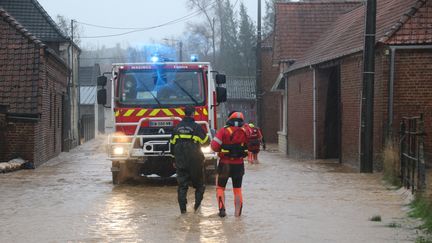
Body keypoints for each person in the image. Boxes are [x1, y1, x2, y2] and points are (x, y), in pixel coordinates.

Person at [170, 106, 210, 214]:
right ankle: (196, 208)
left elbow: (171, 145)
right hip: (195, 161)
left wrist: (174, 159)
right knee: (199, 185)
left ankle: (183, 211)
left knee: (182, 186)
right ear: (193, 114)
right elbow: (207, 142)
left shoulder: (176, 127)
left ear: (184, 114)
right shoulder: (197, 127)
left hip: (180, 161)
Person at [211, 111, 249, 217]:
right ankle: (237, 216)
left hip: (225, 164)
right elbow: (250, 146)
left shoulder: (223, 131)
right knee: (237, 190)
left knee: (220, 188)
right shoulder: (245, 131)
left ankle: (222, 210)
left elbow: (214, 146)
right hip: (239, 165)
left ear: (229, 119)